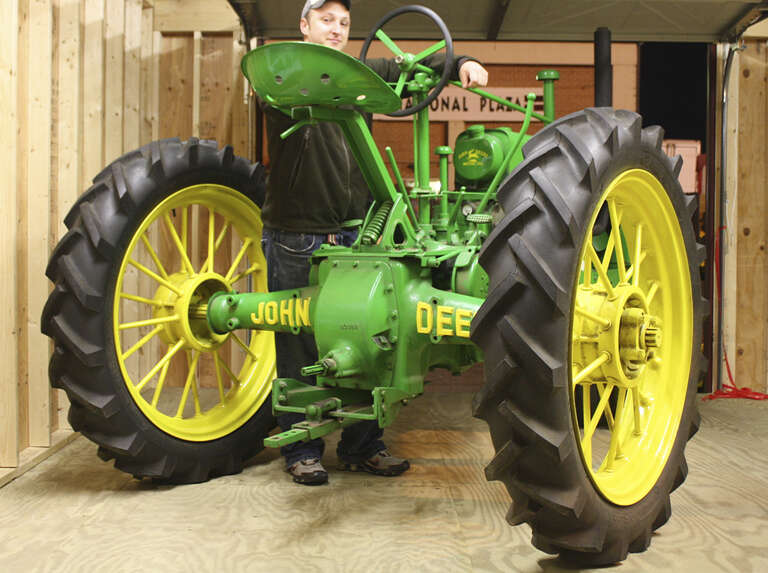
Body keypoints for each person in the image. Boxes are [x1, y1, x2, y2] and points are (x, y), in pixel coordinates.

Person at [261, 0, 489, 485]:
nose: (337, 30)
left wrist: (460, 62)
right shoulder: (284, 73)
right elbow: (278, 88)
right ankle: (302, 449)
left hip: (355, 232)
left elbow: (416, 63)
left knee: (370, 345)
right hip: (299, 234)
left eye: (343, 23)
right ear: (304, 26)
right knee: (301, 343)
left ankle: (362, 447)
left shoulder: (362, 71)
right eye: (326, 20)